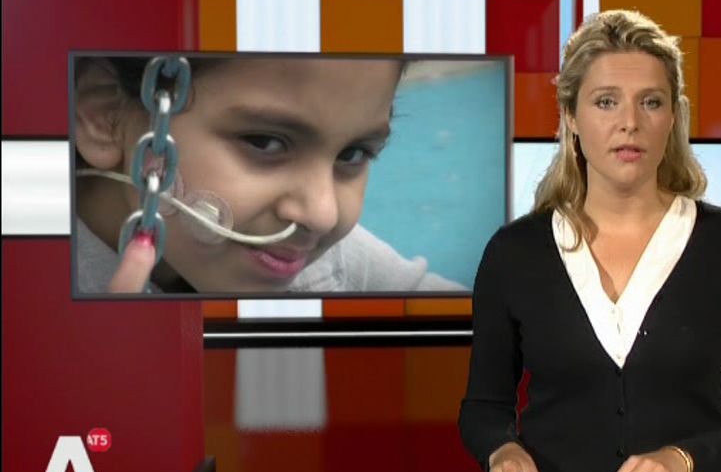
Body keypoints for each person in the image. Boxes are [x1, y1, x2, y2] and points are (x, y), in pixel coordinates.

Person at [458, 10, 721, 472]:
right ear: (571, 117)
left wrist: (684, 460)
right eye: (606, 102)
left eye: (651, 102)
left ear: (672, 118)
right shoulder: (514, 253)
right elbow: (484, 408)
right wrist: (502, 451)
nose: (630, 122)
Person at [74, 55, 460, 294]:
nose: (321, 215)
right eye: (265, 143)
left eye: (353, 154)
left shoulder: (315, 258)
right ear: (104, 115)